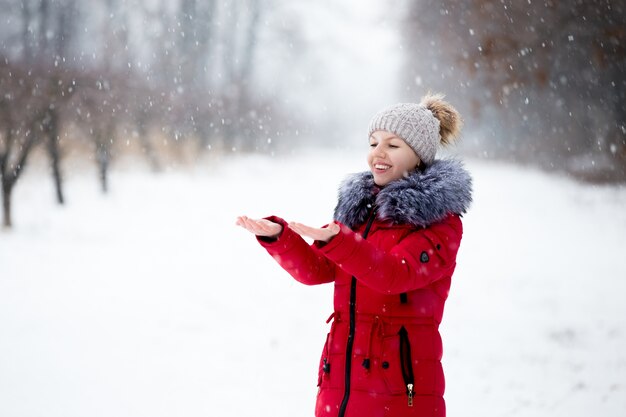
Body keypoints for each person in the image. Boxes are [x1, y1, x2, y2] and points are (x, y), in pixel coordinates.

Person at [236, 93, 472, 417]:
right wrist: (278, 237)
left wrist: (340, 241)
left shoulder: (439, 222)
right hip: (341, 381)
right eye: (373, 142)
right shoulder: (362, 210)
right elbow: (317, 271)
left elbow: (393, 274)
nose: (378, 152)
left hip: (398, 390)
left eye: (392, 145)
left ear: (418, 155)